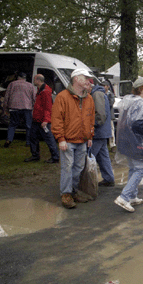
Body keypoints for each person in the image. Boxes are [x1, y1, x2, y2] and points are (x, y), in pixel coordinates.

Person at [114, 77, 143, 212]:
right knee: (140, 169)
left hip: (125, 139)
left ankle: (132, 196)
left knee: (133, 167)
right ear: (141, 88)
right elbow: (137, 123)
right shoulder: (141, 103)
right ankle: (124, 197)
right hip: (136, 140)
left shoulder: (128, 100)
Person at [51, 68, 95, 209]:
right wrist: (61, 138)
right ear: (76, 78)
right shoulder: (63, 97)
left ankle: (74, 191)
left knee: (78, 168)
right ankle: (66, 194)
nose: (88, 80)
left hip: (82, 140)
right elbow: (57, 119)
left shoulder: (89, 98)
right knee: (67, 168)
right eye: (85, 77)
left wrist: (90, 136)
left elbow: (91, 118)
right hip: (68, 140)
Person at [24, 74, 59, 163]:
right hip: (37, 119)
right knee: (33, 137)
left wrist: (46, 120)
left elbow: (48, 107)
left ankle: (55, 157)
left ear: (38, 80)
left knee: (49, 139)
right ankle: (35, 155)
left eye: (34, 80)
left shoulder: (45, 91)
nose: (33, 81)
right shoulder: (41, 90)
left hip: (42, 120)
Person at [90, 81, 115, 187]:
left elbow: (100, 115)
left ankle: (85, 181)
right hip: (103, 131)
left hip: (98, 131)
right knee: (103, 156)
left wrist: (92, 125)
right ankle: (109, 178)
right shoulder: (99, 93)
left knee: (89, 157)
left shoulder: (96, 94)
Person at [3, 72, 36, 148]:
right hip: (27, 107)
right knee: (28, 126)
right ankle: (28, 142)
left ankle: (9, 140)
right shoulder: (30, 85)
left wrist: (5, 108)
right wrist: (34, 107)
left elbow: (6, 96)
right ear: (25, 78)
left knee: (12, 125)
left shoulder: (12, 84)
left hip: (14, 107)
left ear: (18, 77)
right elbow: (34, 97)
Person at [102, 79, 116, 150]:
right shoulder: (101, 93)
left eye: (104, 85)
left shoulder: (110, 94)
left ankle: (112, 145)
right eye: (102, 85)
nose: (103, 87)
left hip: (109, 115)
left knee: (111, 130)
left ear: (107, 86)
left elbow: (111, 103)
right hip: (102, 114)